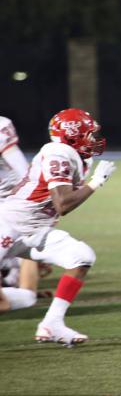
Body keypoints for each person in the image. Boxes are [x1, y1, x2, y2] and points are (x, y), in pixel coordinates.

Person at [0, 108, 116, 345]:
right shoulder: (58, 152)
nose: (93, 139)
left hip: (35, 231)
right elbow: (63, 203)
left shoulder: (80, 157)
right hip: (8, 224)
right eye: (88, 134)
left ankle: (52, 324)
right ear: (72, 135)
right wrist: (96, 184)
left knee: (82, 257)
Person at [0, 116, 48, 312]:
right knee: (26, 294)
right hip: (13, 210)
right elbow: (24, 172)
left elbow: (23, 173)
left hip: (10, 207)